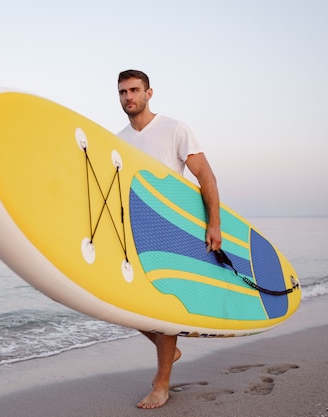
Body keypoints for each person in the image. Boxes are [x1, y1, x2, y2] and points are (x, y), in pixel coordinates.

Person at [116, 69, 222, 409]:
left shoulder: (175, 129)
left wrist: (214, 224)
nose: (128, 97)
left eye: (134, 90)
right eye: (122, 92)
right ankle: (170, 349)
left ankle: (161, 385)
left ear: (149, 93)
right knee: (118, 304)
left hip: (170, 229)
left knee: (163, 308)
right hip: (133, 232)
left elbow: (205, 175)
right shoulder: (117, 140)